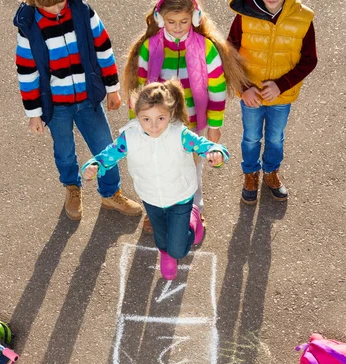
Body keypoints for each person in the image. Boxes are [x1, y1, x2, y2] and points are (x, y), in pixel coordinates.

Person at [81, 81, 230, 280]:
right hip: (151, 197)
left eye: (160, 118)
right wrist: (94, 165)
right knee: (161, 237)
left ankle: (192, 222)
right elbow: (108, 155)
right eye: (146, 119)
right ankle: (165, 252)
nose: (153, 126)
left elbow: (205, 145)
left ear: (170, 113)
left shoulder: (180, 134)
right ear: (137, 115)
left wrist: (216, 153)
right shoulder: (129, 137)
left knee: (178, 249)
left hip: (180, 196)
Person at [123, 0, 248, 233]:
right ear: (160, 20)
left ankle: (195, 208)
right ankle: (156, 210)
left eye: (183, 21)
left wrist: (215, 125)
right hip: (157, 125)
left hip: (193, 123)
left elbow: (217, 89)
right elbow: (138, 91)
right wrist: (135, 123)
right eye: (171, 22)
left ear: (196, 18)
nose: (177, 27)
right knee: (156, 167)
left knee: (192, 168)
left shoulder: (206, 48)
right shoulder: (149, 47)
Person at [13, 0, 143, 220]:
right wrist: (34, 113)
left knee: (105, 146)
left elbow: (103, 49)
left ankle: (111, 192)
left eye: (60, 3)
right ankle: (72, 187)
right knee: (64, 152)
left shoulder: (82, 12)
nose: (57, 10)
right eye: (50, 7)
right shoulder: (29, 26)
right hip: (56, 105)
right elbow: (27, 73)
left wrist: (112, 89)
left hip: (88, 99)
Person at [227, 0, 318, 204]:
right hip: (250, 94)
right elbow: (229, 52)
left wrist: (281, 85)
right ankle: (251, 173)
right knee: (251, 137)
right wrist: (243, 87)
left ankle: (271, 171)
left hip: (281, 96)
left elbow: (309, 59)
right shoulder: (244, 13)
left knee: (275, 137)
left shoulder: (303, 17)